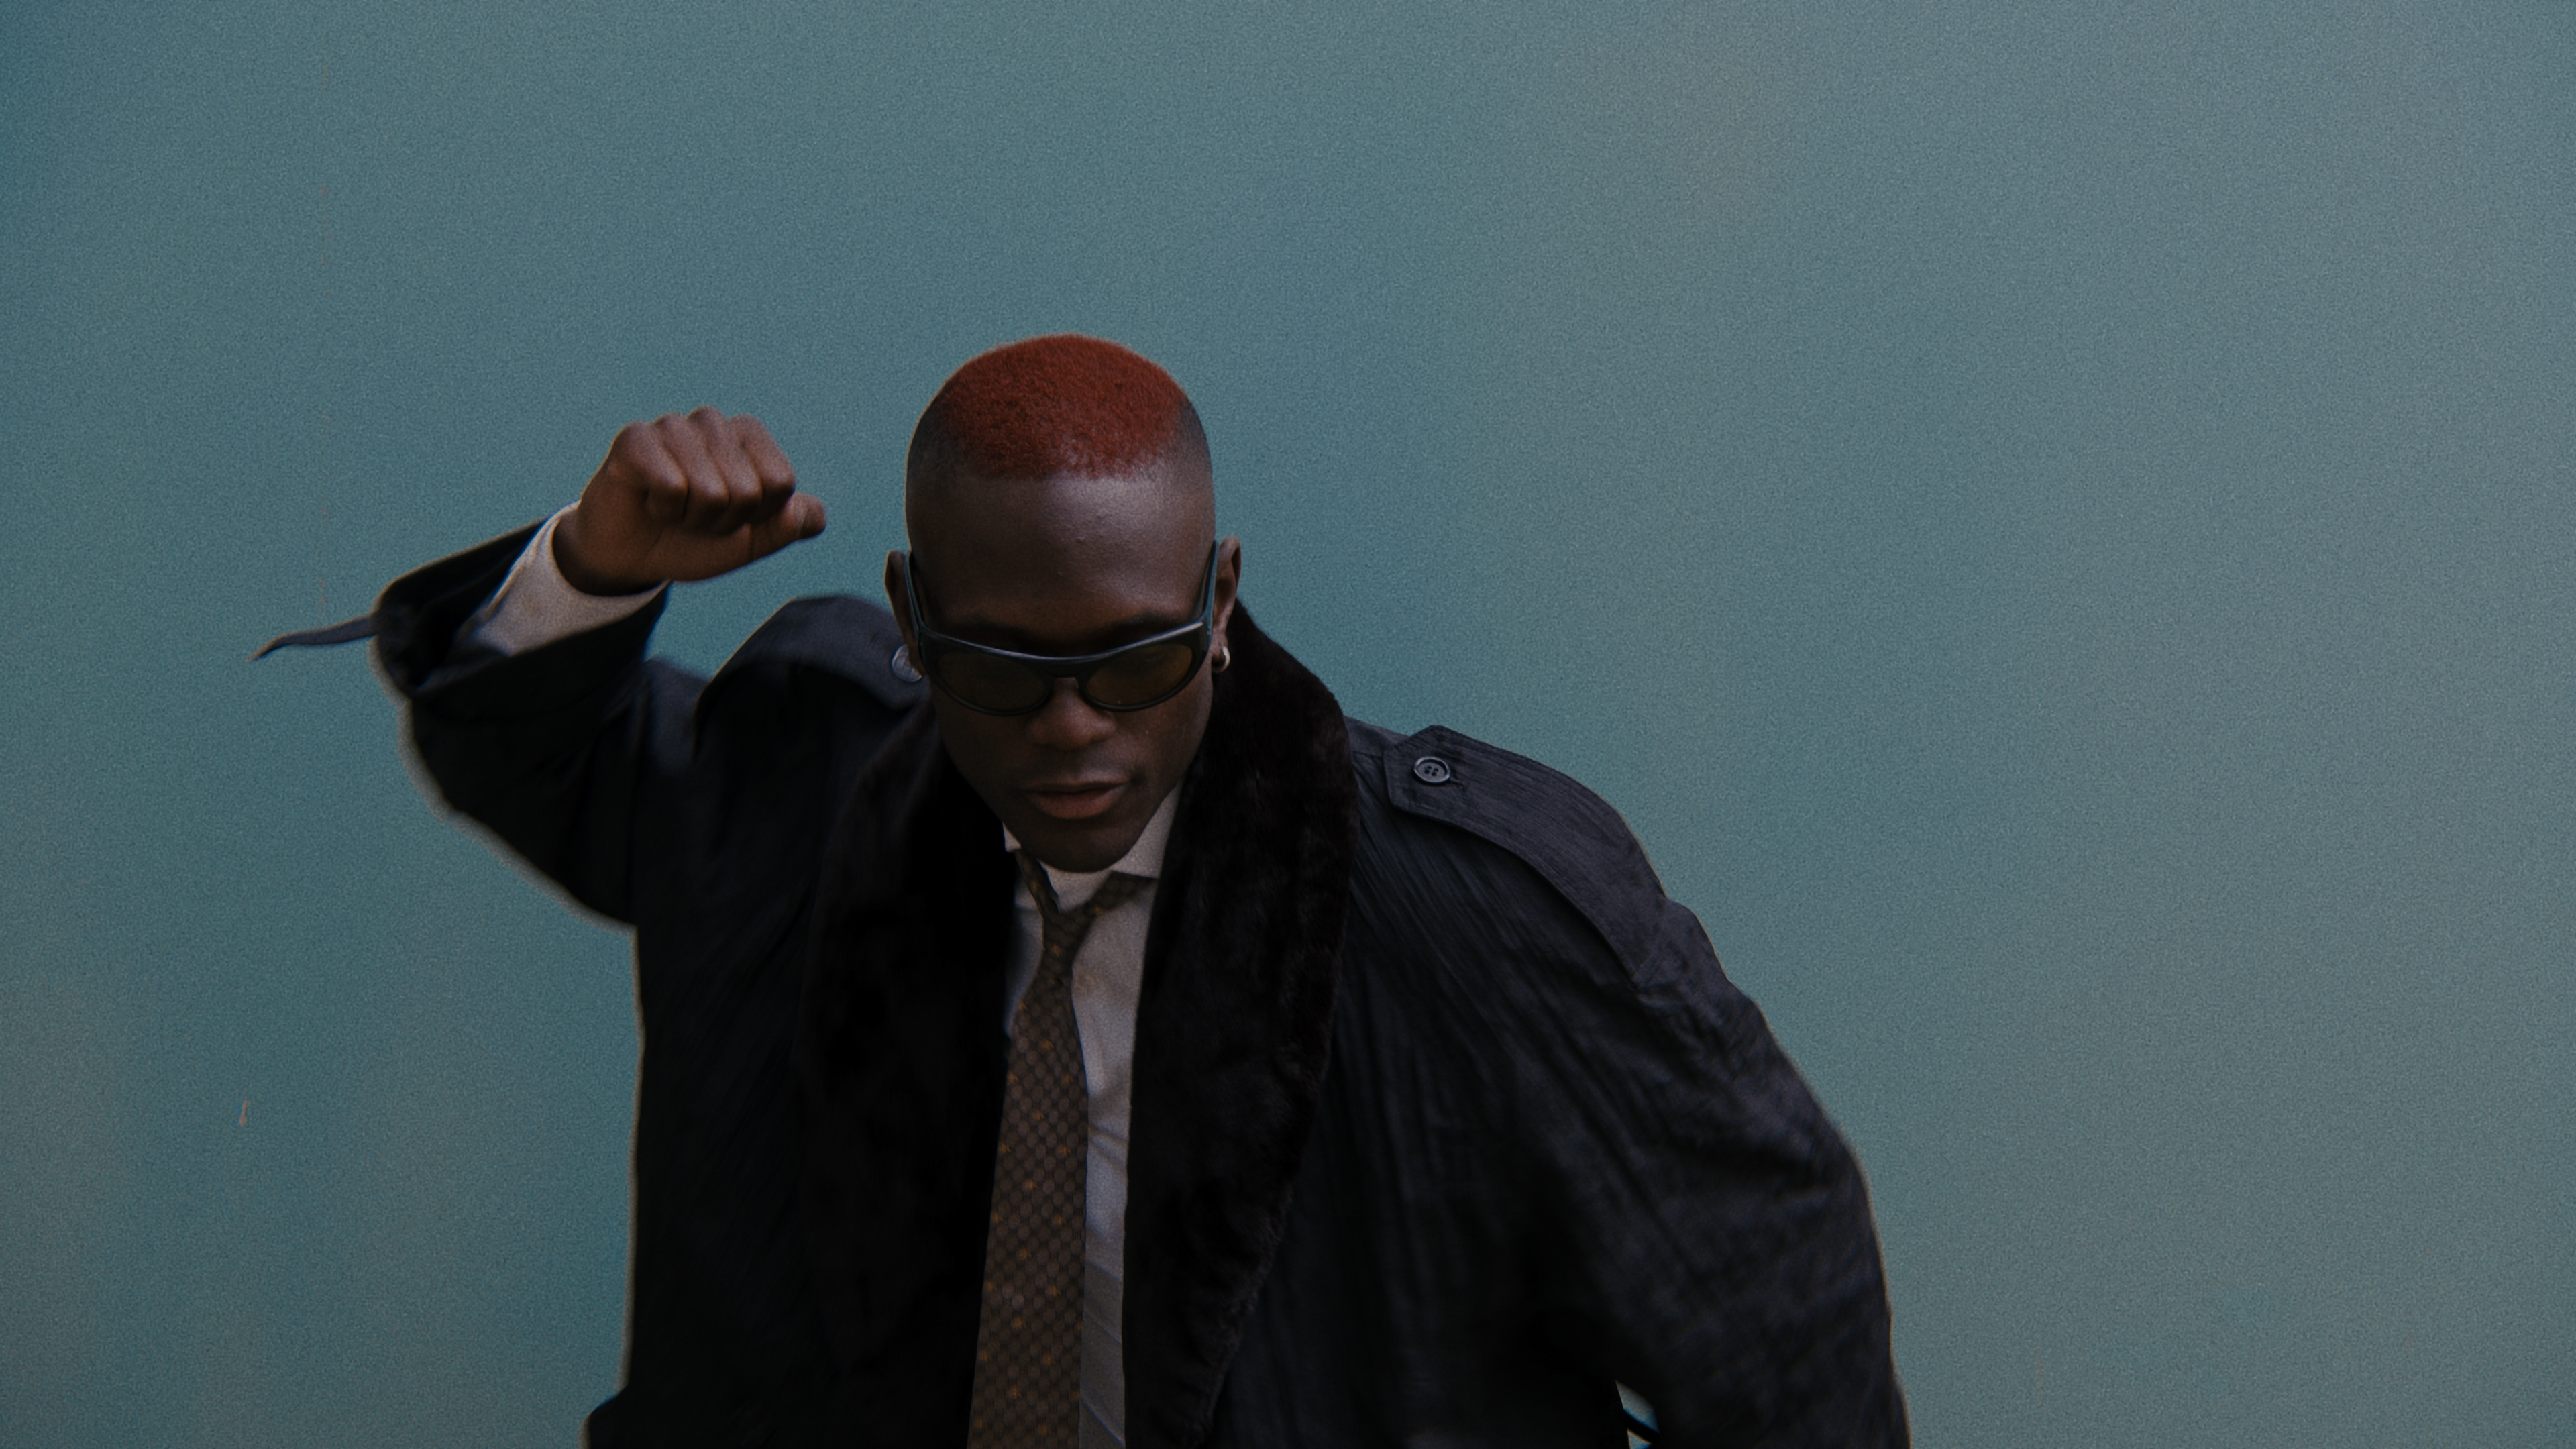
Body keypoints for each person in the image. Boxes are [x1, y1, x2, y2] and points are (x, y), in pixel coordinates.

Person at [293, 335, 1906, 1446]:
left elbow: (1781, 1321)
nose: (1074, 731)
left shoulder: (1474, 909)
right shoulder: (807, 772)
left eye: (1134, 660)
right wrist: (596, 562)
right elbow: (549, 759)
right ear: (909, 621)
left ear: (1222, 602)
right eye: (1005, 669)